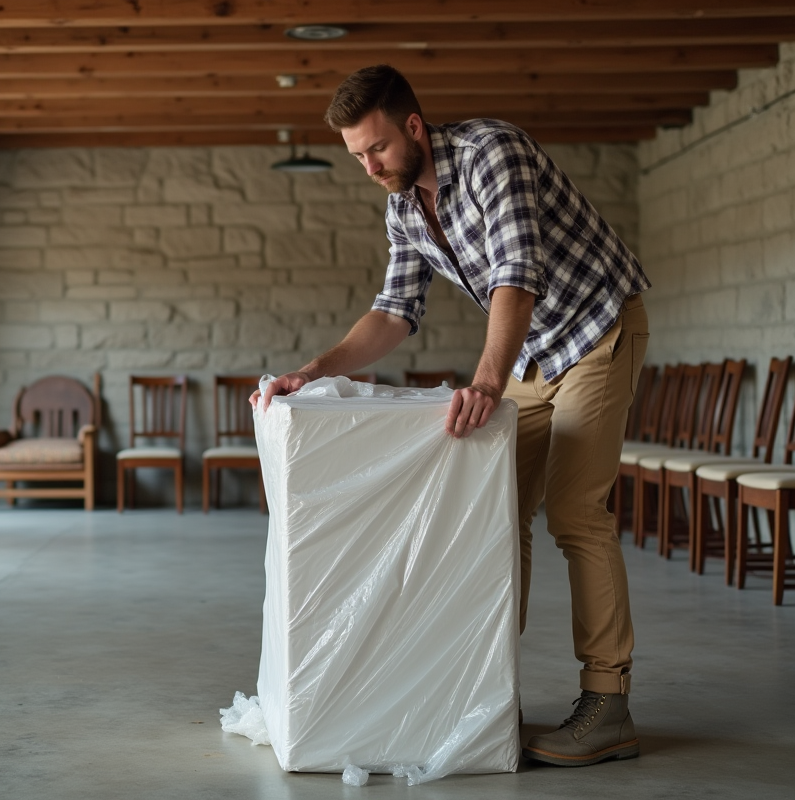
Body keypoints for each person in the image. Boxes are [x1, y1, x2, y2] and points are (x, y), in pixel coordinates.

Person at [252, 65, 650, 767]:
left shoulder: (492, 153)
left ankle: (607, 703)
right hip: (532, 352)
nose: (369, 167)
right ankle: (493, 690)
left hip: (595, 329)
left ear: (413, 127)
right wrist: (315, 370)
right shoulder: (404, 205)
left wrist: (487, 381)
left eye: (376, 149)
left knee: (575, 511)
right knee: (497, 505)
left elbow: (515, 277)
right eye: (356, 157)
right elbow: (393, 313)